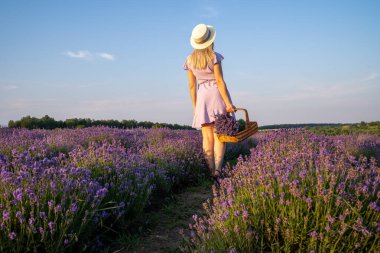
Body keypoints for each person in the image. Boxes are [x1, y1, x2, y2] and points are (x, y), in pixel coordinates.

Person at [183, 23, 236, 181]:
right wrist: (228, 104)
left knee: (207, 138)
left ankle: (210, 170)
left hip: (202, 97)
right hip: (217, 96)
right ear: (209, 40)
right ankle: (218, 171)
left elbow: (192, 86)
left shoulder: (189, 60)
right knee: (220, 136)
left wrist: (196, 108)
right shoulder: (214, 56)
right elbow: (219, 81)